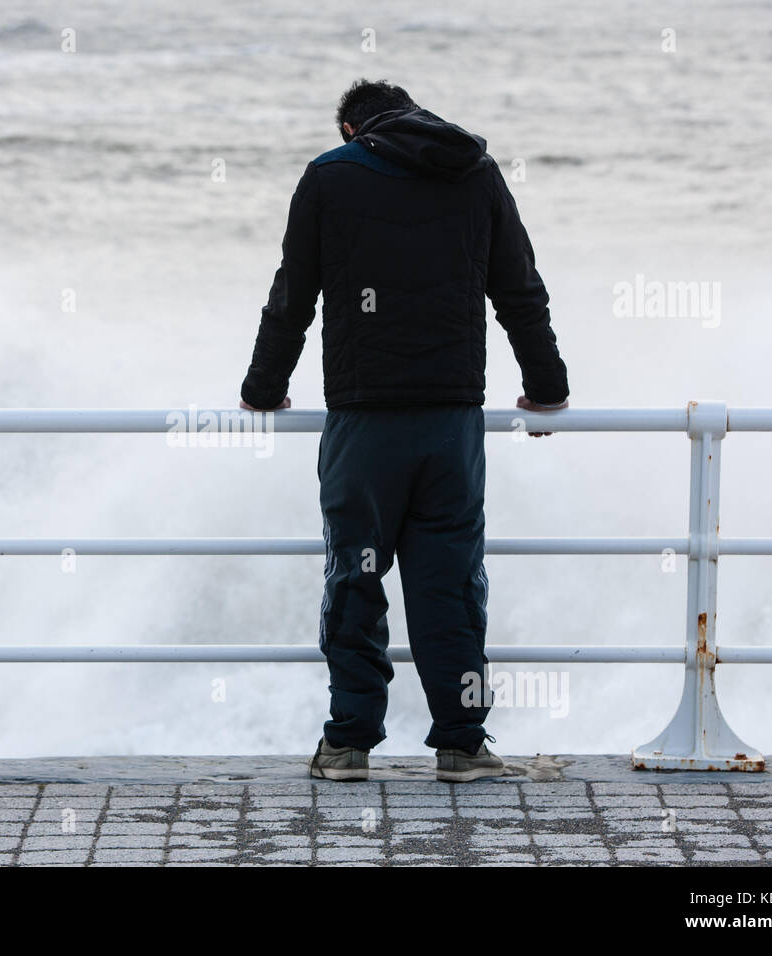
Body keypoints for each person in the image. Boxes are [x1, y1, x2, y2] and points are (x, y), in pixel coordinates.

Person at [239, 79, 570, 782]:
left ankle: (348, 745)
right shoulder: (475, 170)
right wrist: (547, 392)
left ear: (351, 129)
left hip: (366, 422)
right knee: (450, 585)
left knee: (355, 577)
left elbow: (292, 294)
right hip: (452, 422)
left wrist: (263, 389)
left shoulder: (332, 176)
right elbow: (519, 290)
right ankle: (461, 745)